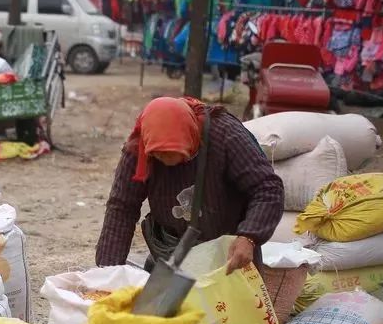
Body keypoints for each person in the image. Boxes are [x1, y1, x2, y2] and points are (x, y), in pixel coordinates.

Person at [95, 96, 284, 274]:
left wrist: (250, 237)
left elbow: (267, 188)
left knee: (230, 306)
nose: (167, 160)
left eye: (175, 152)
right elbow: (122, 208)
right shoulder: (140, 147)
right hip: (172, 251)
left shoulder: (224, 134)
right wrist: (107, 272)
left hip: (230, 247)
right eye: (159, 154)